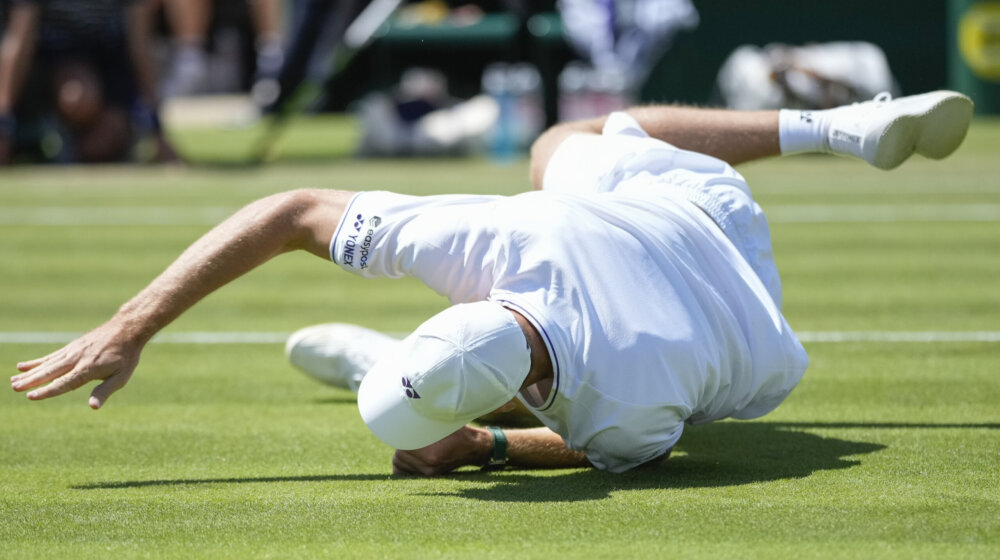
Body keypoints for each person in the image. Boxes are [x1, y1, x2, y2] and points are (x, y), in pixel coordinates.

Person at [11, 90, 973, 475]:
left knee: (563, 146)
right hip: (699, 218)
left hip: (757, 342)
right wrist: (130, 323)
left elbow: (591, 446)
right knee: (569, 142)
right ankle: (831, 125)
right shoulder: (492, 241)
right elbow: (293, 209)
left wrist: (485, 447)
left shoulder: (623, 415)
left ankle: (380, 369)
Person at [0, 0, 177, 164]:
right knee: (77, 98)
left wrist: (156, 127)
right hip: (57, 59)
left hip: (112, 61)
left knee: (103, 142)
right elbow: (19, 39)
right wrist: (4, 122)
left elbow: (140, 43)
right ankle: (54, 131)